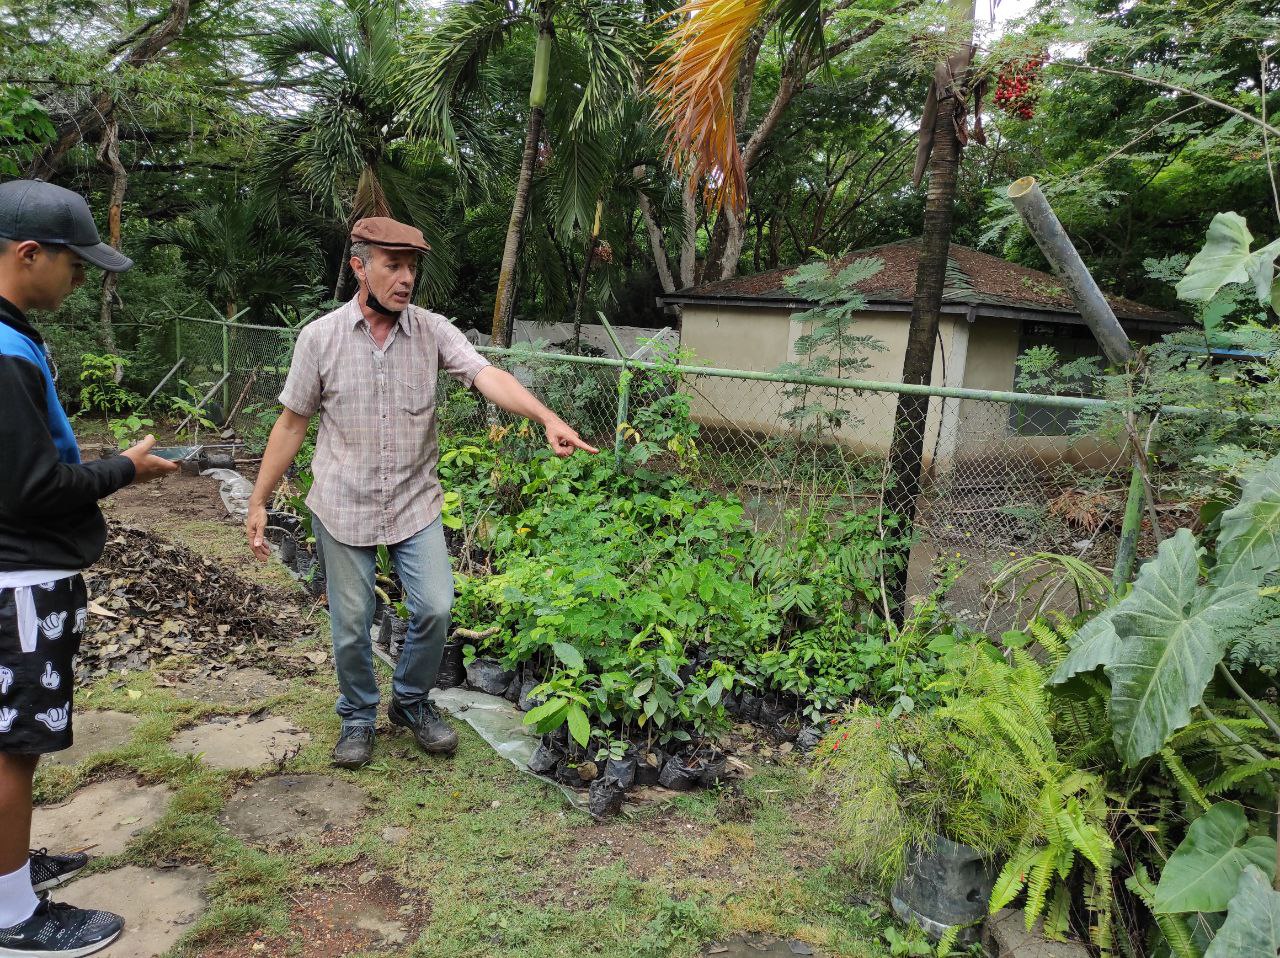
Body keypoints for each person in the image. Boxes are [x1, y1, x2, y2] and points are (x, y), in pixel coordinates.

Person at [246, 216, 597, 769]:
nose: (406, 278)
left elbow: (487, 375)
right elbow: (292, 424)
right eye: (394, 265)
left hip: (413, 502)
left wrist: (545, 417)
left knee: (435, 605)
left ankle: (409, 702)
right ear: (360, 266)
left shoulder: (432, 330)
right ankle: (358, 716)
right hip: (343, 504)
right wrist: (259, 500)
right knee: (352, 626)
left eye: (412, 266)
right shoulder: (319, 338)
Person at [0, 179, 179, 956]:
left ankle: (9, 868)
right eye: (75, 266)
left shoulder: (14, 337)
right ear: (28, 254)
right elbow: (36, 487)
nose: (78, 280)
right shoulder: (5, 356)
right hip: (19, 582)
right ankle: (12, 915)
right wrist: (123, 470)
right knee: (16, 743)